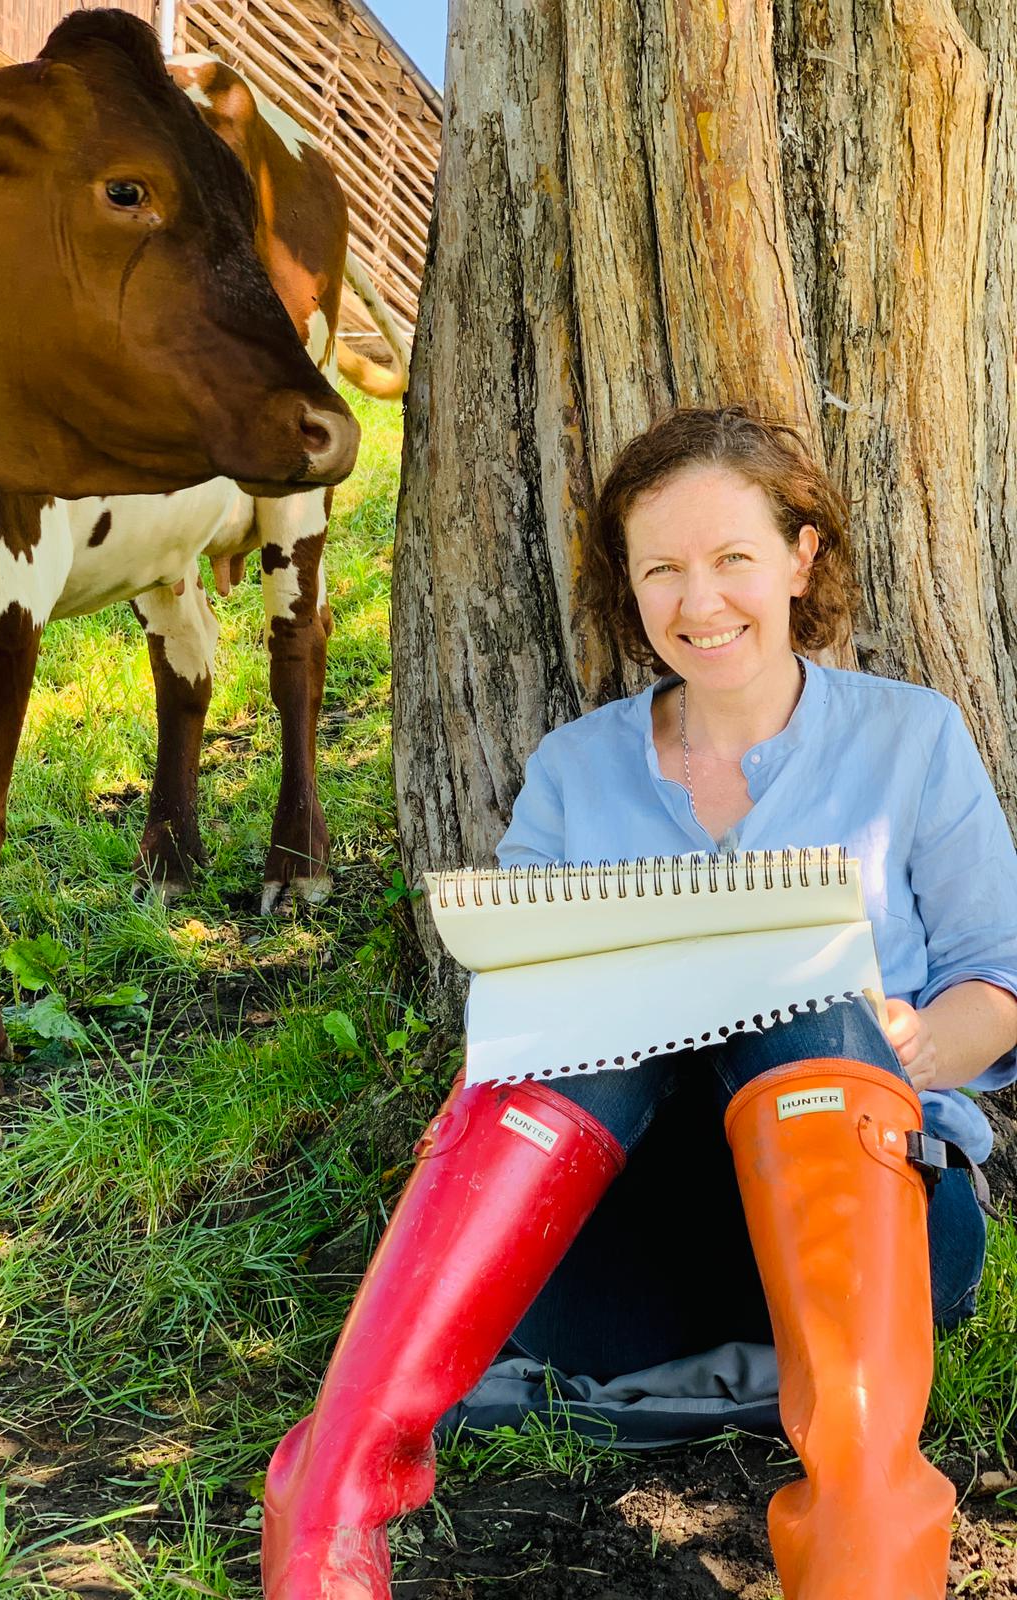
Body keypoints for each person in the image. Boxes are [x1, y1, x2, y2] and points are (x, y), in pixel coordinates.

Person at [261, 407, 1017, 1600]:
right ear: (628, 583)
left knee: (811, 1005)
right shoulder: (575, 767)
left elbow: (1000, 982)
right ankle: (330, 1494)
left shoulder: (912, 736)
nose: (699, 600)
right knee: (582, 998)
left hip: (871, 1225)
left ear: (801, 557)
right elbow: (516, 1015)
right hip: (619, 1258)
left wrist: (914, 1044)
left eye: (732, 559)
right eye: (661, 567)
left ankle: (868, 1548)